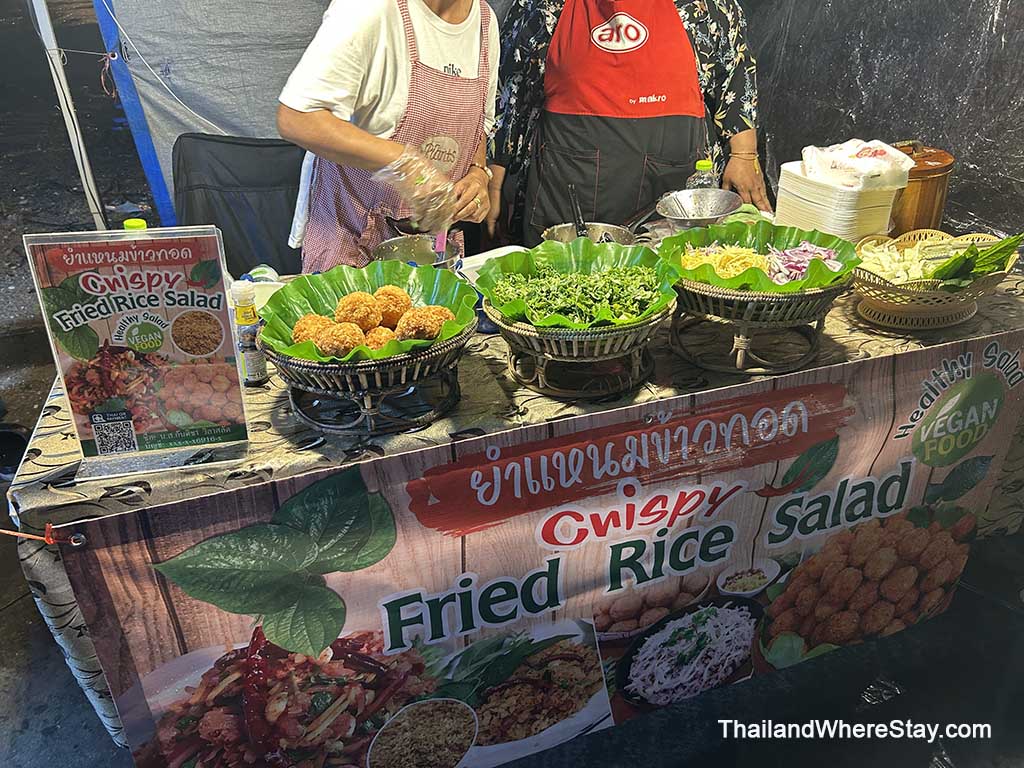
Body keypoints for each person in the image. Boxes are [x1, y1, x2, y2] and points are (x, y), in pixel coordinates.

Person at [486, 0, 770, 245]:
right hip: (568, 205)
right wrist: (493, 179)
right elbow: (512, 87)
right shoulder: (546, 6)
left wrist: (744, 155)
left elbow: (734, 67)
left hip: (671, 202)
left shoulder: (702, 6)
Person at [277, 0, 500, 271]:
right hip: (353, 240)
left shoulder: (485, 23)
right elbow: (297, 117)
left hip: (436, 245)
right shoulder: (370, 9)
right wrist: (406, 164)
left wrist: (478, 173)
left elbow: (480, 125)